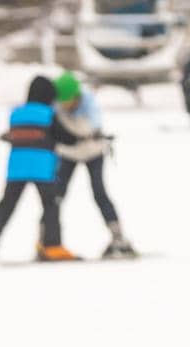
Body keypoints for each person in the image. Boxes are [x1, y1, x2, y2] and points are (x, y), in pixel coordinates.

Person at [0, 75, 81, 264]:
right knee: (50, 206)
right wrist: (82, 138)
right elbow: (65, 137)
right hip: (42, 169)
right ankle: (51, 245)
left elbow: (14, 134)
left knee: (6, 206)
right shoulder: (47, 113)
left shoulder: (16, 113)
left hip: (16, 168)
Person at [51, 70, 137, 260]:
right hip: (68, 153)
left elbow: (93, 125)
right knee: (56, 194)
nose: (66, 104)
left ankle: (118, 236)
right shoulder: (56, 106)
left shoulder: (89, 103)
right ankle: (47, 237)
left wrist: (85, 134)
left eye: (68, 100)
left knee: (99, 192)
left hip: (93, 152)